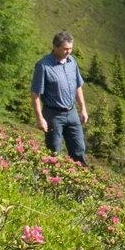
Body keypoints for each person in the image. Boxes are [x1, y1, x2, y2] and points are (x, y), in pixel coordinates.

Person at [30, 31, 89, 164]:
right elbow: (35, 94)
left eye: (70, 48)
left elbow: (78, 86)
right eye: (65, 49)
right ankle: (53, 180)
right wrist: (40, 118)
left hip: (71, 112)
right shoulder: (43, 65)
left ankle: (79, 180)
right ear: (55, 47)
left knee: (79, 149)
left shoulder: (72, 61)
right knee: (54, 151)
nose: (68, 51)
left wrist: (83, 109)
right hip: (53, 114)